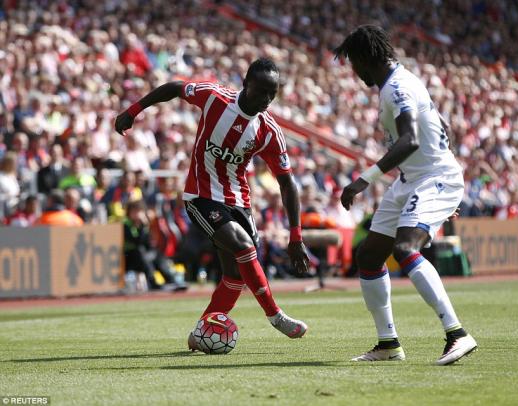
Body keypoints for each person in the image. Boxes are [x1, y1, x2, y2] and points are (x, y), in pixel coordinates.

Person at [115, 58, 310, 345]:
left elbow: (287, 182)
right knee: (245, 248)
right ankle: (275, 315)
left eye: (273, 93)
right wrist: (134, 111)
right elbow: (174, 87)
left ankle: (200, 334)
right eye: (262, 91)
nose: (267, 99)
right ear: (246, 84)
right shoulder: (215, 97)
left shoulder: (268, 131)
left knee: (235, 275)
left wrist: (296, 235)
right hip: (201, 195)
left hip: (239, 200)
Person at [334, 25, 477, 365]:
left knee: (404, 248)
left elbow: (410, 140)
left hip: (431, 179)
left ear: (366, 59)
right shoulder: (402, 81)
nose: (354, 73)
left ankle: (457, 334)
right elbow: (442, 124)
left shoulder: (397, 87)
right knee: (369, 256)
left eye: (354, 63)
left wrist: (364, 179)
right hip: (414, 180)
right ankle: (388, 344)